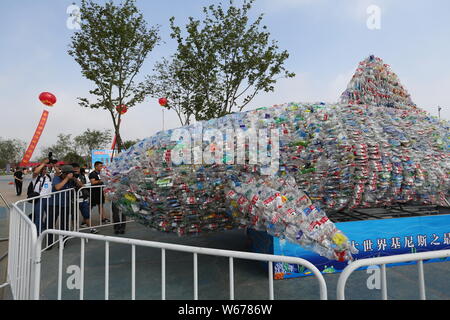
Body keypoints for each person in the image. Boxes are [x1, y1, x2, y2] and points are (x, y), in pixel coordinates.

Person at [47, 165, 83, 246]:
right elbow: (57, 187)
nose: (72, 175)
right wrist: (67, 179)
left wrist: (75, 179)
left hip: (65, 204)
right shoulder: (57, 177)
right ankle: (49, 242)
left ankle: (63, 241)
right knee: (51, 223)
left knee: (64, 223)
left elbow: (81, 186)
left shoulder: (72, 179)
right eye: (70, 173)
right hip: (54, 204)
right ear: (66, 173)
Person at [71, 163, 98, 234]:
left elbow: (84, 184)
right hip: (74, 199)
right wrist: (75, 179)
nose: (76, 170)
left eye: (77, 168)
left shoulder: (82, 176)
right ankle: (75, 229)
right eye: (75, 169)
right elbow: (80, 184)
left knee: (86, 214)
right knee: (74, 215)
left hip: (83, 198)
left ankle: (91, 228)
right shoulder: (70, 177)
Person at [30, 159, 54, 233]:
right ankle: (38, 232)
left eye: (45, 169)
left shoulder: (49, 176)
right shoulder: (35, 177)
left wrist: (53, 164)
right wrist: (44, 163)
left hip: (49, 199)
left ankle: (46, 229)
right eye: (43, 169)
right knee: (39, 217)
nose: (44, 170)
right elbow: (36, 172)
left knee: (50, 215)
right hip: (39, 199)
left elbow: (58, 173)